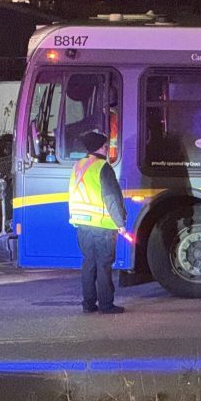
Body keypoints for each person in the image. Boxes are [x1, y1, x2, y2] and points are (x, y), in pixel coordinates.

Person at [69, 130, 127, 314]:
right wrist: (120, 224)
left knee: (89, 264)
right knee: (103, 265)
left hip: (82, 224)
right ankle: (106, 304)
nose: (107, 148)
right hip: (102, 226)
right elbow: (111, 197)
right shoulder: (102, 167)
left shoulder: (78, 165)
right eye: (105, 145)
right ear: (100, 147)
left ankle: (88, 304)